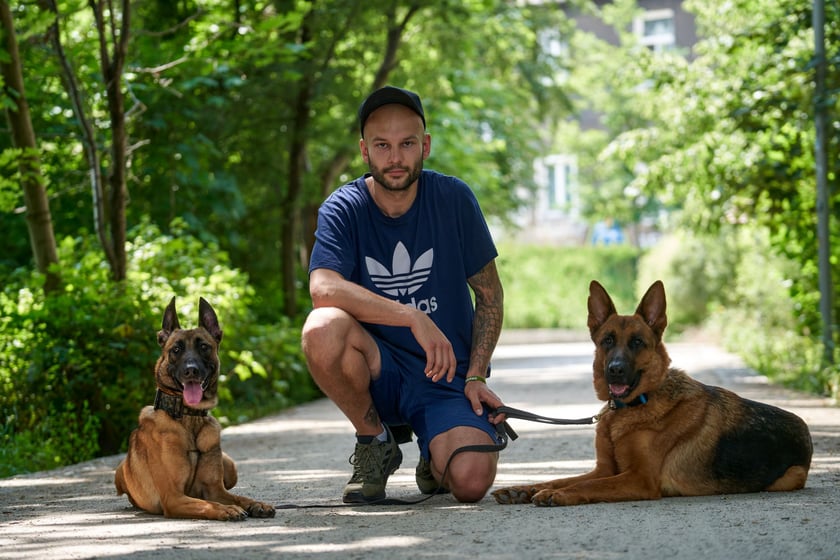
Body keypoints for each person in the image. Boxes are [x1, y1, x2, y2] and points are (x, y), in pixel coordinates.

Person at [301, 85, 507, 504]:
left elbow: (489, 296)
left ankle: (434, 454)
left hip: (444, 373)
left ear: (425, 146)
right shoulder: (343, 208)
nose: (395, 158)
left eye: (407, 144)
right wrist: (413, 317)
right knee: (321, 327)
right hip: (378, 370)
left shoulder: (454, 199)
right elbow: (322, 287)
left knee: (470, 481)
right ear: (364, 150)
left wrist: (477, 374)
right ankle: (375, 441)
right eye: (382, 145)